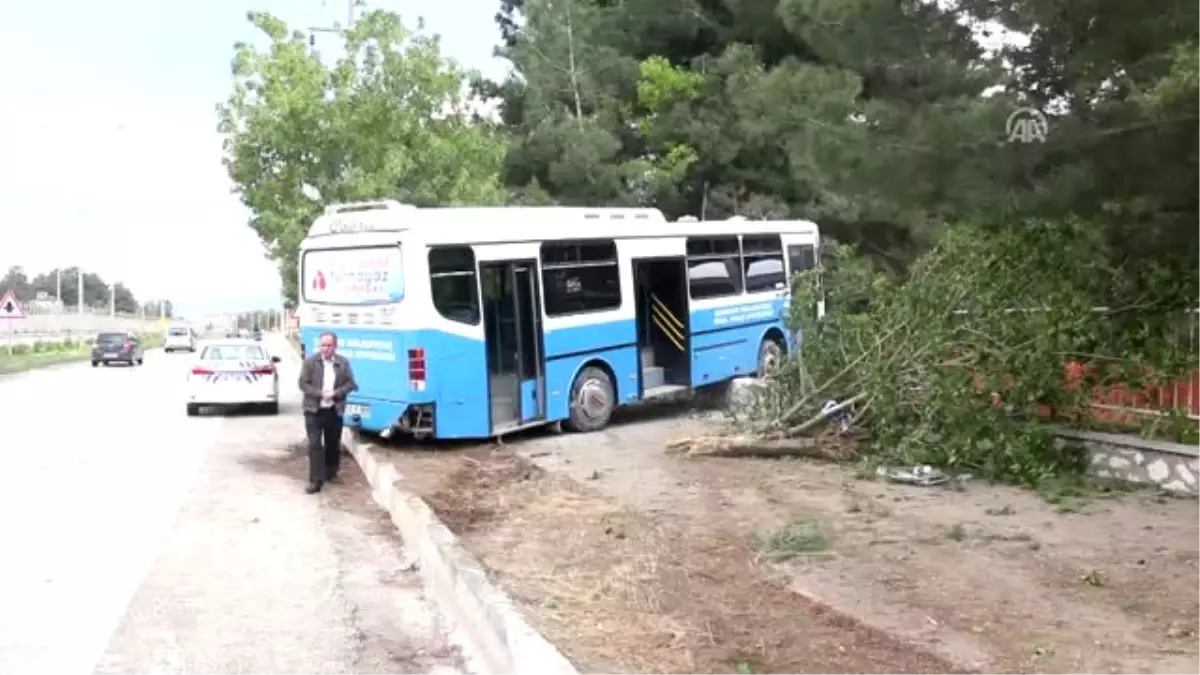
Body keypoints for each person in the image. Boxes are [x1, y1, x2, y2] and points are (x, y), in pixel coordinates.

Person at [297, 331, 358, 494]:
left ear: (335, 346)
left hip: (333, 410)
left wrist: (336, 393)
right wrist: (319, 393)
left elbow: (351, 384)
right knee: (315, 444)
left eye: (329, 345)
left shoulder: (343, 363)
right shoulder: (310, 362)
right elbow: (303, 384)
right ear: (319, 346)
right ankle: (315, 480)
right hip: (313, 410)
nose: (325, 349)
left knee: (332, 443)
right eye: (323, 345)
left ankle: (331, 473)